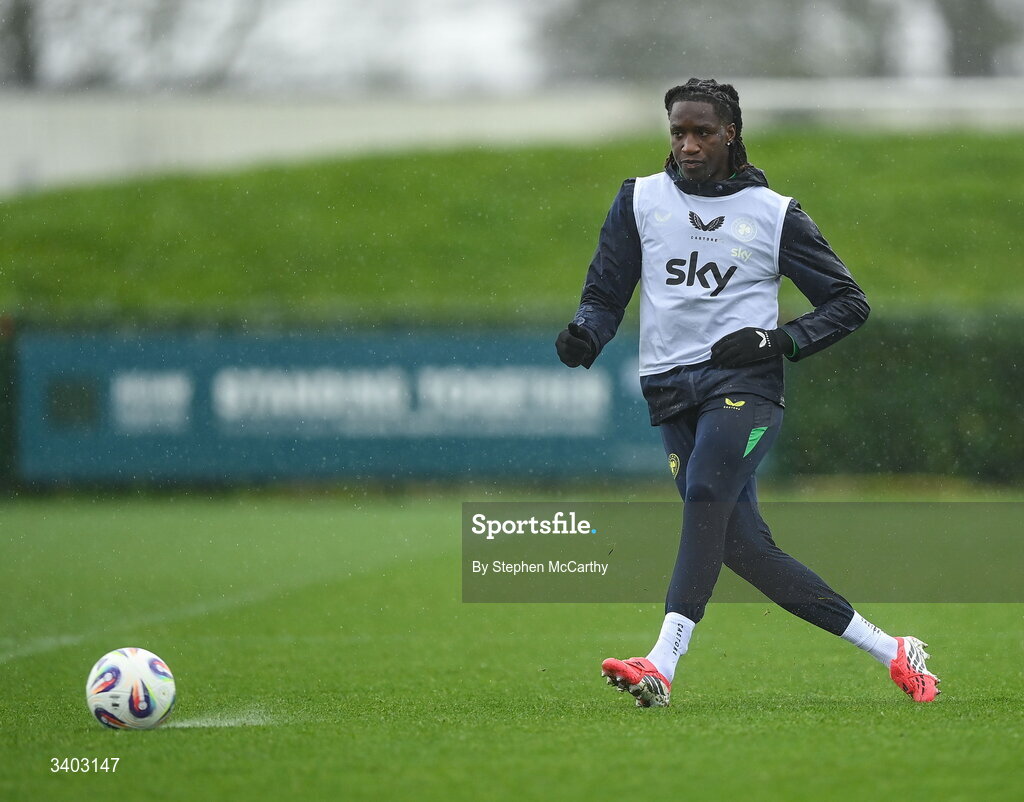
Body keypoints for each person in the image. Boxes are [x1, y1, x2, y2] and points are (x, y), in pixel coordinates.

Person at [555, 78, 939, 708]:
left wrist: (776, 342)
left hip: (745, 387)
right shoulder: (640, 200)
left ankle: (661, 664)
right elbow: (605, 292)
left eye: (702, 131)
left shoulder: (773, 213)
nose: (688, 144)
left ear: (730, 132)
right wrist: (586, 336)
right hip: (670, 390)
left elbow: (849, 303)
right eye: (678, 131)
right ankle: (892, 649)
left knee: (705, 489)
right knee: (743, 548)